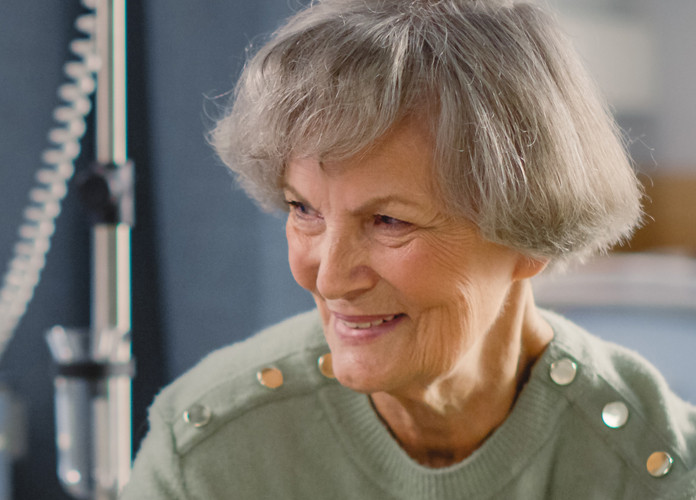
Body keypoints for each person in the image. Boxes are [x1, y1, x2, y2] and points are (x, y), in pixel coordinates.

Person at [122, 0, 694, 497]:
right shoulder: (211, 452)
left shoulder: (654, 470)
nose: (329, 278)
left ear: (529, 234)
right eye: (304, 210)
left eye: (390, 220)